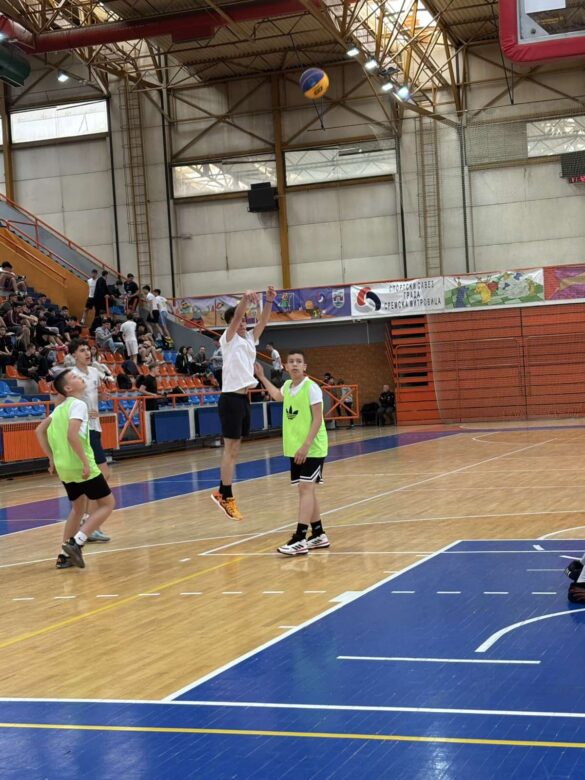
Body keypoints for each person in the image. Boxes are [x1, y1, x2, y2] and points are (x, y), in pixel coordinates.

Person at [34, 369, 115, 569]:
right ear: (68, 388)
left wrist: (52, 459)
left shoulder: (59, 408)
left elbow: (39, 430)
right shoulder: (78, 404)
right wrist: (86, 462)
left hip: (64, 467)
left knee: (78, 509)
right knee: (107, 504)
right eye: (75, 377)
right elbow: (72, 435)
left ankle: (64, 556)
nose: (79, 378)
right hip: (79, 464)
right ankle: (77, 542)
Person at [255, 351, 329, 555]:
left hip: (312, 447)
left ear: (305, 367)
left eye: (299, 362)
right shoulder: (288, 386)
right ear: (286, 367)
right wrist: (262, 377)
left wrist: (306, 445)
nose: (295, 364)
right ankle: (318, 534)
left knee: (305, 489)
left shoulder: (311, 388)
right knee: (306, 490)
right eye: (291, 362)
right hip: (295, 448)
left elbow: (317, 419)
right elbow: (277, 395)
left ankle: (299, 538)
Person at [211, 286, 276, 520]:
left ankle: (222, 491)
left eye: (245, 321)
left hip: (243, 399)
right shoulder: (228, 339)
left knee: (235, 450)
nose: (243, 323)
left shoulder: (249, 339)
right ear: (231, 324)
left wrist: (269, 300)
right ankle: (226, 496)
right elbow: (238, 314)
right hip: (230, 398)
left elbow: (264, 321)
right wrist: (245, 300)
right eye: (239, 321)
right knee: (230, 450)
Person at [68, 338, 115, 543]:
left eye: (88, 349)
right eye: (82, 350)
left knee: (96, 478)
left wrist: (103, 398)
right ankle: (89, 524)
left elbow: (95, 396)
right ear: (73, 355)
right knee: (102, 475)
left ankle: (88, 523)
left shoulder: (95, 372)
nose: (87, 353)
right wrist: (85, 412)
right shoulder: (71, 376)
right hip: (83, 430)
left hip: (95, 427)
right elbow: (65, 402)